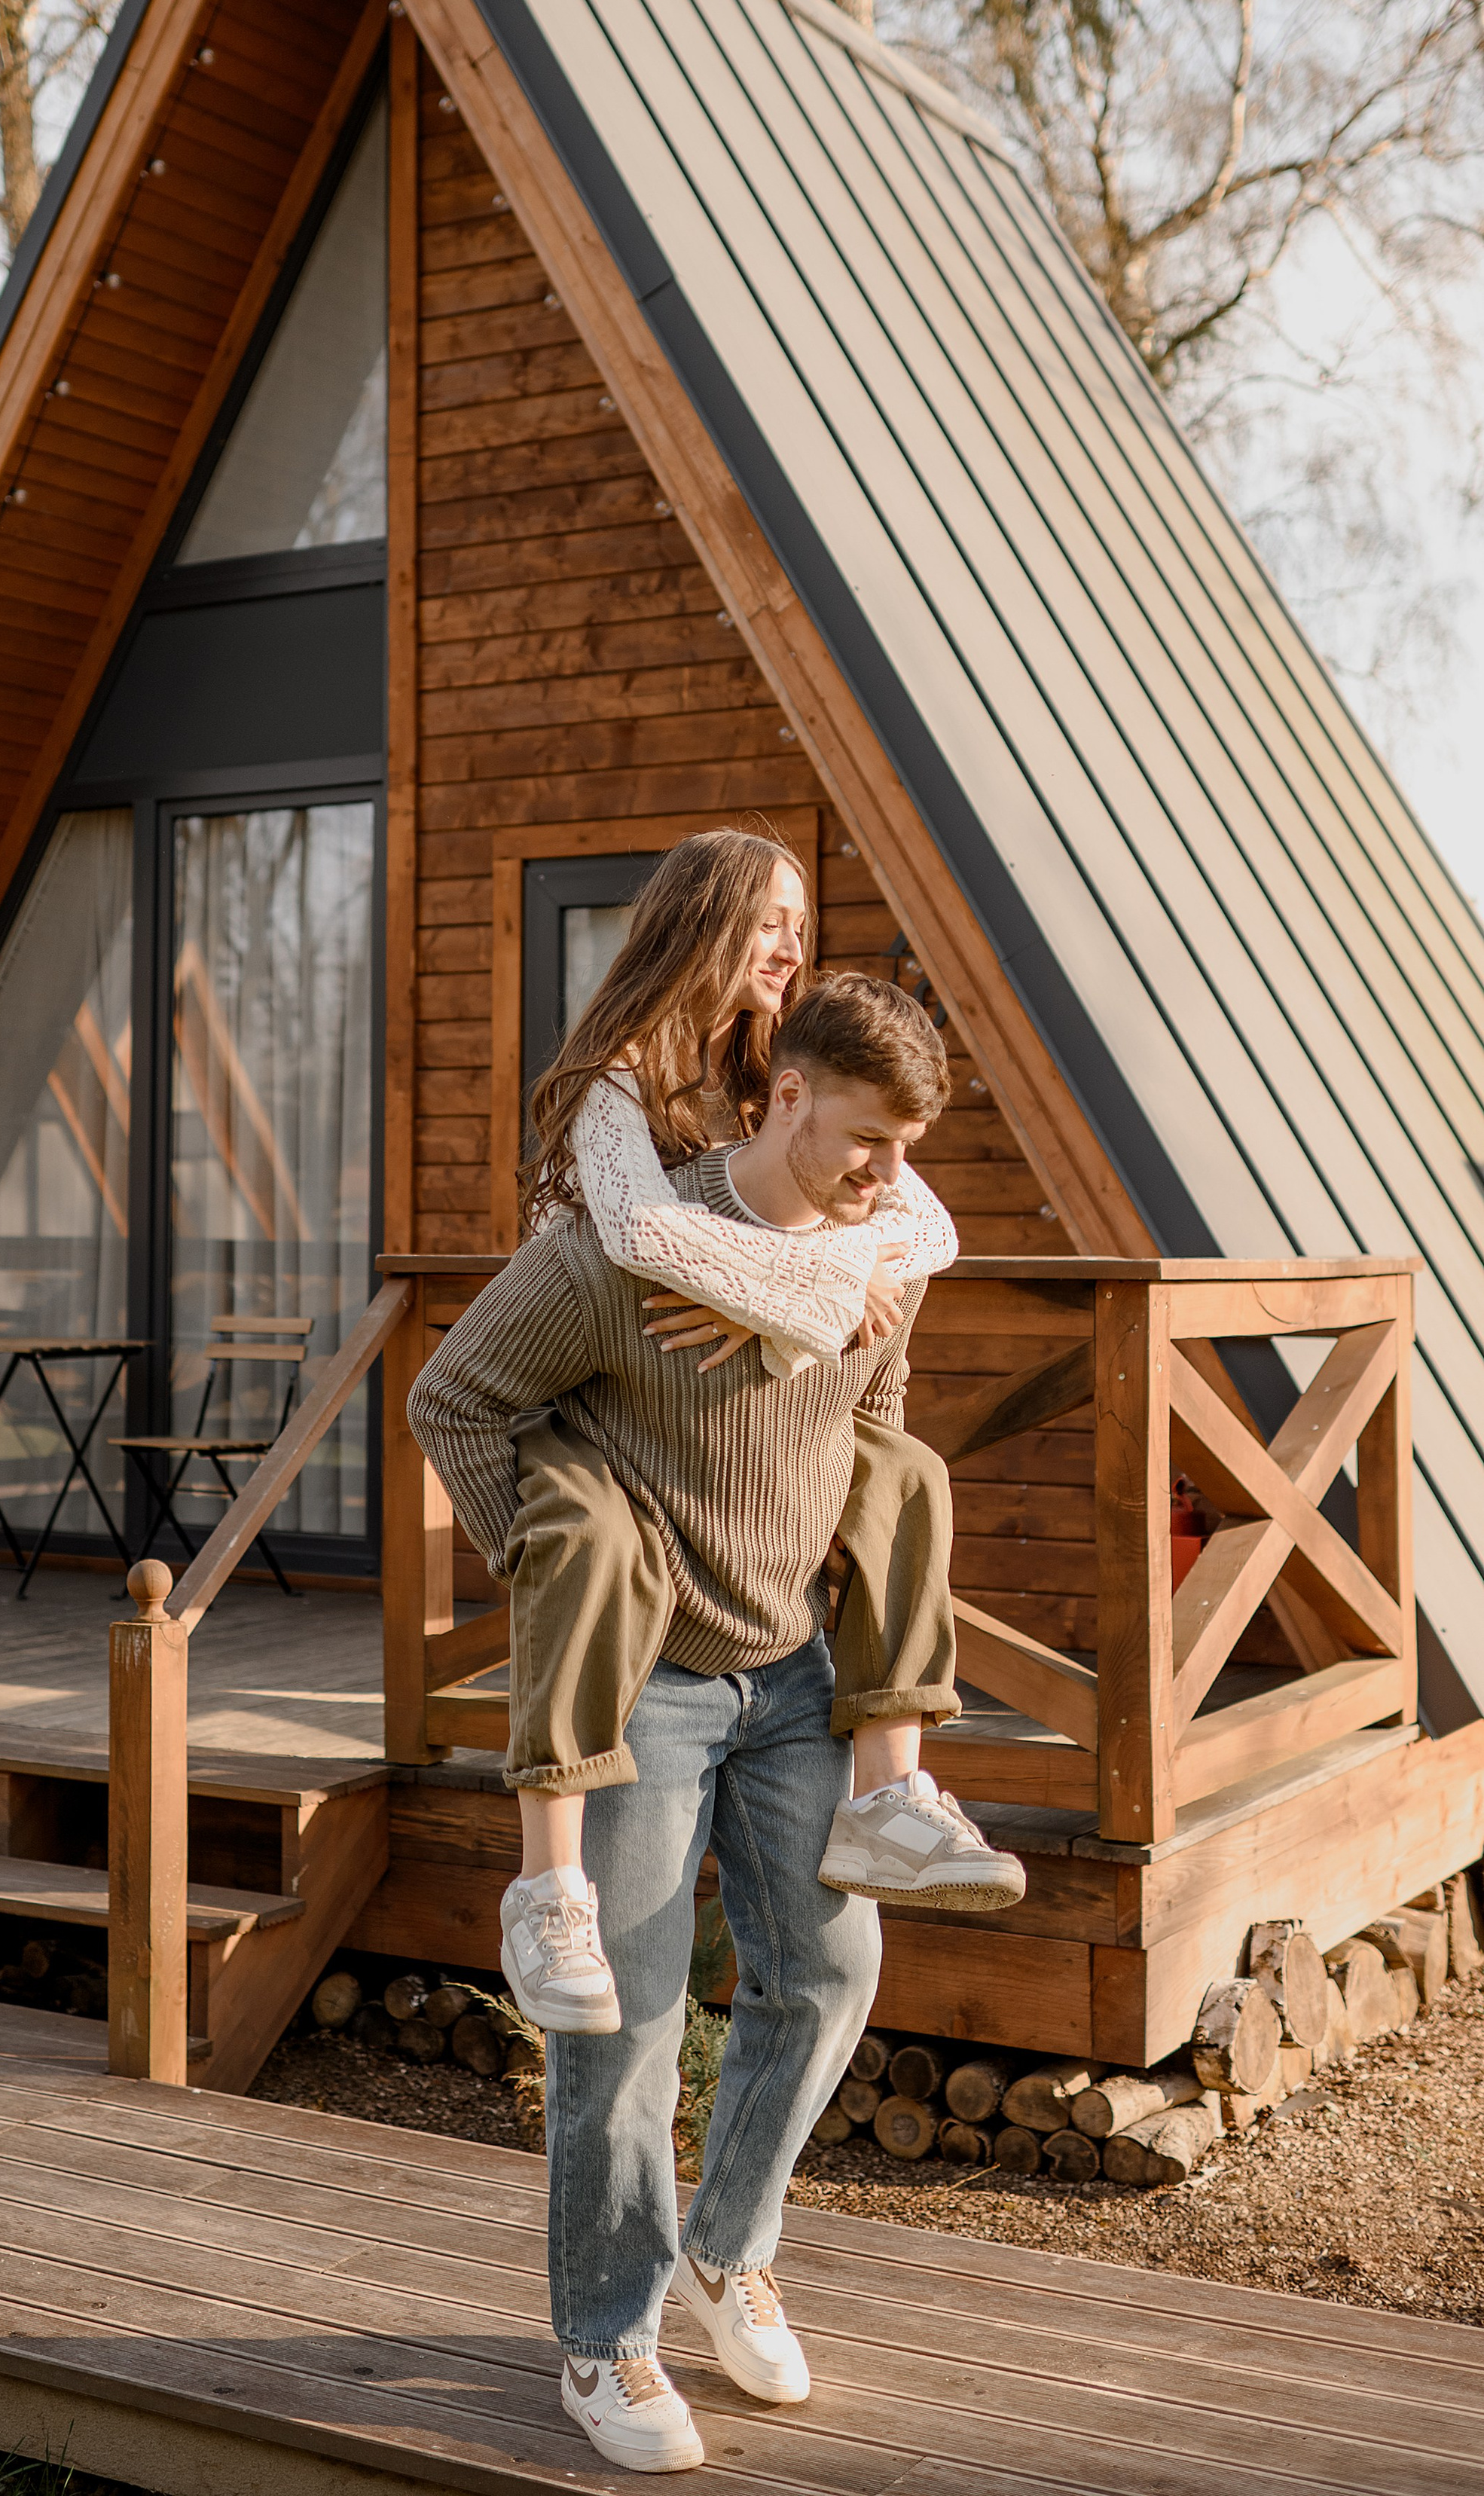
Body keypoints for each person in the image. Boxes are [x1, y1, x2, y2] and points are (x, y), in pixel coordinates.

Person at [411, 974, 986, 2470]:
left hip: (794, 1672)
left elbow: (873, 1419)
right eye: (864, 1141)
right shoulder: (620, 1249)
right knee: (627, 2018)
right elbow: (453, 1399)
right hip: (649, 1688)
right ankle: (605, 2345)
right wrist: (550, 1570)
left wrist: (870, 1573)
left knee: (831, 1964)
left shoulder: (879, 1254)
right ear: (782, 1093)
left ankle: (724, 2250)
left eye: (906, 1149)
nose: (887, 1178)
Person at [487, 833, 1021, 2041]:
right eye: (771, 921)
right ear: (706, 921)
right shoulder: (615, 1076)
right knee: (580, 1537)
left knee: (903, 1470)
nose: (793, 945)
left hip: (748, 1437)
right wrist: (818, 1295)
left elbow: (919, 1225)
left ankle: (895, 1791)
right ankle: (545, 1887)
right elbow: (641, 1236)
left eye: (799, 922)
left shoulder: (765, 1066)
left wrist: (820, 1287)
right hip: (602, 1399)